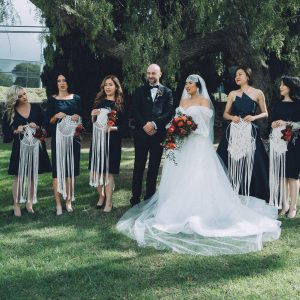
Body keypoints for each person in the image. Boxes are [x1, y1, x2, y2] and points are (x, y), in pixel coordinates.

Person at [116, 75, 280, 256]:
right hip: (182, 146)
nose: (186, 86)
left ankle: (199, 211)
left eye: (189, 83)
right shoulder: (183, 103)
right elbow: (175, 122)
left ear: (197, 86)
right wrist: (176, 130)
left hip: (198, 146)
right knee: (180, 177)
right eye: (185, 83)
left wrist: (188, 128)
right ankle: (175, 210)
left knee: (197, 177)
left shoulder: (203, 101)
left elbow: (204, 128)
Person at [217, 66, 270, 202]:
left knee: (254, 162)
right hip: (234, 132)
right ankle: (231, 194)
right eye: (236, 75)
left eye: (240, 74)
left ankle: (252, 194)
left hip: (250, 131)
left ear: (247, 76)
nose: (237, 77)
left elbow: (265, 113)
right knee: (229, 161)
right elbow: (225, 114)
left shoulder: (258, 93)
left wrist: (253, 117)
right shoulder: (232, 94)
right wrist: (232, 117)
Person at [2, 85, 52, 217]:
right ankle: (17, 205)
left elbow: (46, 126)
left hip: (36, 147)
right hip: (20, 149)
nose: (24, 97)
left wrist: (38, 127)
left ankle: (29, 204)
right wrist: (16, 130)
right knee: (19, 177)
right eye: (20, 96)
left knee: (32, 176)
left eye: (24, 94)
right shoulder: (9, 112)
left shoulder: (36, 108)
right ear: (14, 98)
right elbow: (6, 134)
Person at [130, 64, 173, 206]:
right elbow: (135, 110)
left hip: (158, 134)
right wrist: (145, 125)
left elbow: (169, 112)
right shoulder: (139, 91)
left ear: (160, 74)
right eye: (148, 73)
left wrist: (154, 124)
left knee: (154, 167)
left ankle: (149, 198)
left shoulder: (167, 92)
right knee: (139, 165)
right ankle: (135, 198)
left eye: (153, 73)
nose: (150, 76)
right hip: (141, 134)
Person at [89, 75, 128, 212]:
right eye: (106, 85)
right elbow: (93, 124)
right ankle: (101, 196)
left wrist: (112, 128)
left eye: (110, 84)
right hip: (98, 141)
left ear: (116, 87)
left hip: (112, 142)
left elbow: (125, 128)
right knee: (97, 170)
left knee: (108, 173)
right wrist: (93, 115)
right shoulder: (99, 102)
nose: (107, 87)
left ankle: (109, 203)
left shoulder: (120, 105)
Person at [46, 73, 82, 215]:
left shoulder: (76, 98)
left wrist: (77, 117)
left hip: (73, 139)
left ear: (69, 82)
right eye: (59, 80)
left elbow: (82, 118)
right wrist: (55, 116)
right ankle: (58, 204)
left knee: (70, 171)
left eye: (64, 80)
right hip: (58, 140)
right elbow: (47, 123)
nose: (62, 83)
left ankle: (68, 202)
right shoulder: (52, 100)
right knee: (57, 172)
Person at [270, 76, 300, 218]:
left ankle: (293, 207)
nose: (280, 87)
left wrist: (286, 123)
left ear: (291, 87)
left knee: (292, 176)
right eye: (280, 85)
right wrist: (274, 124)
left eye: (283, 85)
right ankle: (284, 205)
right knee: (281, 175)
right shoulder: (277, 104)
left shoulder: (298, 104)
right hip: (279, 144)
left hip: (294, 144)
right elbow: (271, 122)